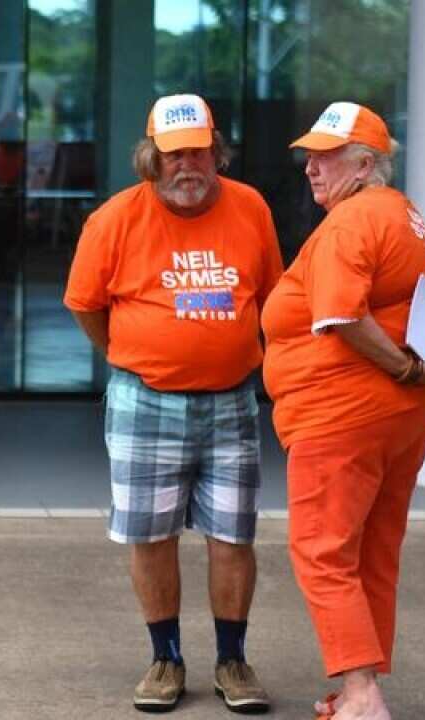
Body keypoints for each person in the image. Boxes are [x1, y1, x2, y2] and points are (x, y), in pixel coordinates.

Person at [64, 94, 283, 714]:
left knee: (232, 536)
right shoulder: (114, 218)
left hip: (232, 401)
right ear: (151, 159)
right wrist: (133, 355)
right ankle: (165, 659)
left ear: (217, 153)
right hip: (146, 400)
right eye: (174, 154)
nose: (188, 165)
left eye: (199, 152)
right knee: (151, 535)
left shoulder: (251, 208)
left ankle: (232, 660)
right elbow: (85, 304)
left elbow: (272, 298)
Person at [261, 102, 425, 720]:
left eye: (327, 157)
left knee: (322, 548)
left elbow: (339, 316)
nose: (311, 168)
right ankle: (361, 687)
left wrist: (407, 369)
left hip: (340, 416)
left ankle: (362, 695)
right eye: (309, 157)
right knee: (372, 550)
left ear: (365, 165)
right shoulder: (415, 221)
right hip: (402, 420)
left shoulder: (351, 221)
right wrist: (419, 377)